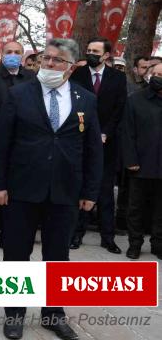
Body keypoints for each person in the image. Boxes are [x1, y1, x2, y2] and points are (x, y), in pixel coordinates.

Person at [0, 38, 102, 340]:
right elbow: (1, 144)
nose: (49, 65)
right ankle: (14, 314)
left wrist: (90, 192)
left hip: (65, 192)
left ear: (73, 66)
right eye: (46, 59)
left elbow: (92, 150)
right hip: (21, 189)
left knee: (57, 256)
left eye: (57, 61)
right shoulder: (19, 94)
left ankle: (54, 314)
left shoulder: (85, 100)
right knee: (16, 254)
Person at [69, 37, 126, 254]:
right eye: (88, 49)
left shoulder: (118, 78)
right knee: (82, 188)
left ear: (106, 55)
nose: (90, 53)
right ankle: (76, 233)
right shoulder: (78, 74)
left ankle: (107, 237)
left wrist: (104, 133)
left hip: (107, 143)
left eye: (95, 51)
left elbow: (119, 109)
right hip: (81, 140)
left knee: (104, 191)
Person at [0, 41, 35, 253]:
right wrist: (5, 132)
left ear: (23, 55)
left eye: (17, 52)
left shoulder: (31, 78)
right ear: (1, 54)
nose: (13, 55)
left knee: (17, 191)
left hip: (24, 143)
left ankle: (9, 233)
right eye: (9, 52)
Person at [121, 62, 162, 260]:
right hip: (141, 164)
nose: (156, 77)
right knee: (136, 208)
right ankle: (135, 244)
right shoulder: (135, 100)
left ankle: (158, 244)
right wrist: (130, 160)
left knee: (160, 209)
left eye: (161, 74)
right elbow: (127, 132)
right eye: (154, 73)